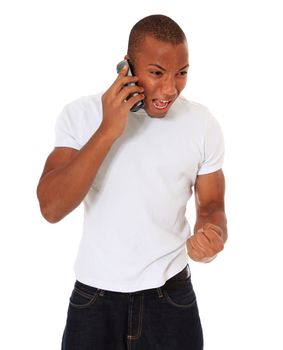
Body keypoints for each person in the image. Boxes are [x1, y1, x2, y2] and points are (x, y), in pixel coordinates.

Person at [37, 14, 227, 350]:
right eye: (156, 73)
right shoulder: (81, 115)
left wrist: (212, 236)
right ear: (127, 66)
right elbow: (51, 207)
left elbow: (212, 205)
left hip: (171, 298)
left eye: (181, 73)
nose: (170, 89)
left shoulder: (201, 123)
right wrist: (109, 130)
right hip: (94, 301)